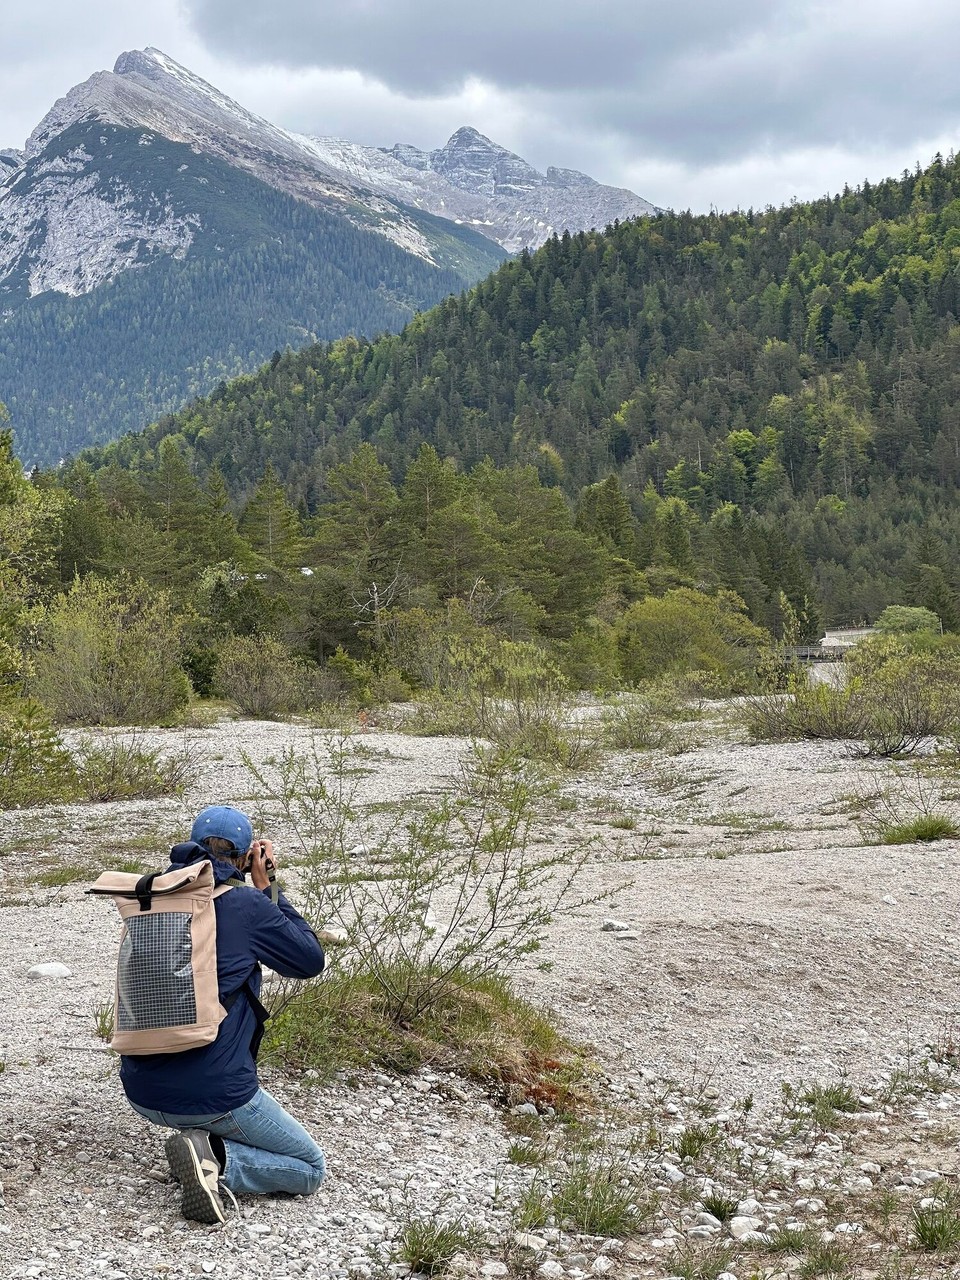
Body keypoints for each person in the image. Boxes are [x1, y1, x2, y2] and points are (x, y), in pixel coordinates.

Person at [121, 804, 327, 1225]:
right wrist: (268, 885)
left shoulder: (154, 899)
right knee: (310, 1167)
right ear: (245, 856)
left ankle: (201, 1144)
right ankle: (213, 1158)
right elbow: (309, 960)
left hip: (142, 1091)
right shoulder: (246, 904)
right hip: (213, 1096)